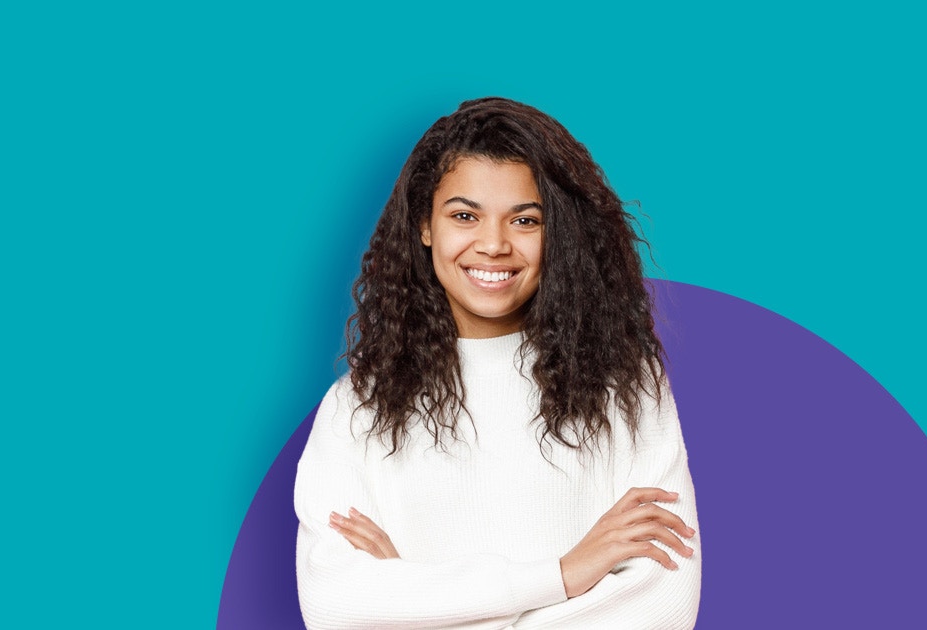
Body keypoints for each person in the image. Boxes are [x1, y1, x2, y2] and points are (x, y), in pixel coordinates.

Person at [294, 97, 700, 629]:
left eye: (525, 220)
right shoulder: (358, 408)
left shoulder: (625, 388)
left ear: (557, 233)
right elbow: (334, 608)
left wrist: (419, 602)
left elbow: (660, 611)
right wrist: (562, 575)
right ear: (425, 226)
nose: (493, 244)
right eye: (465, 215)